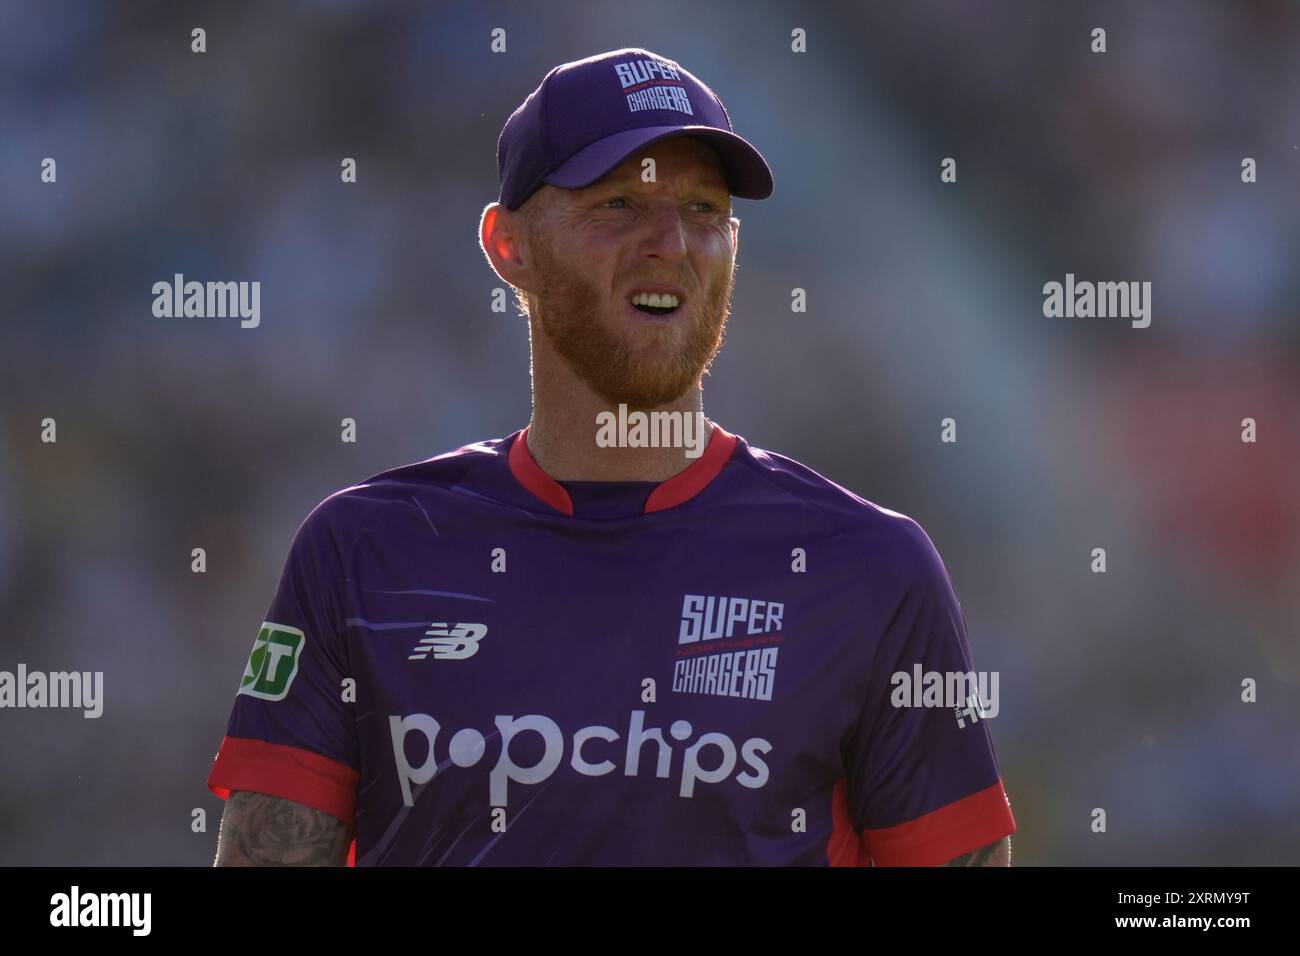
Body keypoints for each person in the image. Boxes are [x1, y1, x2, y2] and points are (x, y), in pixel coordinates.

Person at [207, 47, 1015, 866]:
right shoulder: (364, 552)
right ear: (509, 246)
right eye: (620, 204)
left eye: (702, 209)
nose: (669, 243)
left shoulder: (870, 569)